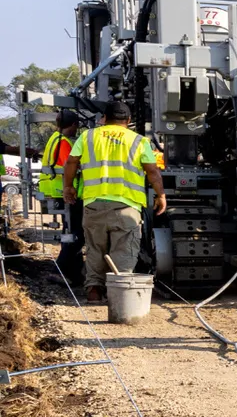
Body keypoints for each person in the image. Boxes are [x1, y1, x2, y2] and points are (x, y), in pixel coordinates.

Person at [62, 101, 163, 303]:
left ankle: (93, 291)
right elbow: (152, 170)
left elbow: (71, 162)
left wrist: (68, 187)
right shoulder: (139, 141)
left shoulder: (87, 136)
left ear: (104, 118)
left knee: (94, 249)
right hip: (127, 206)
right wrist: (161, 195)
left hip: (94, 204)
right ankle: (118, 297)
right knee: (124, 251)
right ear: (128, 120)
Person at [39, 109, 84, 282]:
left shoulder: (53, 139)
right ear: (73, 125)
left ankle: (74, 273)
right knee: (76, 233)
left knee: (72, 231)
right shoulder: (63, 142)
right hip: (64, 193)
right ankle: (62, 270)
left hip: (55, 190)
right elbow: (70, 166)